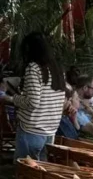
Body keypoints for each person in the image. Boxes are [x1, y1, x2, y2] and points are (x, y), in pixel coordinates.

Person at [1, 32, 66, 160]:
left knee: (24, 173)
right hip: (50, 130)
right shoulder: (57, 68)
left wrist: (10, 99)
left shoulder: (33, 68)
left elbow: (32, 102)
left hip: (32, 129)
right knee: (39, 176)